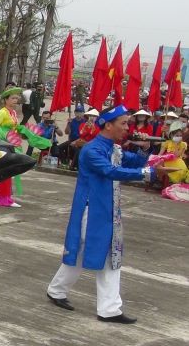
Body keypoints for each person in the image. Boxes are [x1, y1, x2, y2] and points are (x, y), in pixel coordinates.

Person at [46, 105, 175, 323]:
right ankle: (109, 309)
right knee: (108, 254)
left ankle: (57, 290)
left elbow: (136, 160)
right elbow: (111, 171)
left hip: (105, 208)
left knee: (82, 251)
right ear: (108, 125)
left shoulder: (113, 148)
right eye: (123, 123)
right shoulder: (92, 150)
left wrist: (144, 147)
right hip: (93, 210)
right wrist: (148, 172)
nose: (127, 127)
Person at [0, 87, 50, 208]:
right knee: (4, 171)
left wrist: (24, 132)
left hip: (10, 144)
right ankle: (2, 197)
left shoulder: (13, 113)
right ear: (5, 100)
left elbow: (15, 127)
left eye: (17, 98)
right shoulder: (2, 112)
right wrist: (3, 138)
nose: (15, 100)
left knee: (6, 171)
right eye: (12, 98)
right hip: (1, 144)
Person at [157, 121, 187, 186]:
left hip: (177, 162)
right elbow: (160, 153)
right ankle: (160, 181)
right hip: (166, 161)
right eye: (177, 135)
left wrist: (176, 145)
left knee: (178, 171)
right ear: (172, 135)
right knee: (157, 166)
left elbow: (177, 155)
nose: (179, 137)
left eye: (180, 135)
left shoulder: (183, 144)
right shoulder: (167, 142)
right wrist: (157, 159)